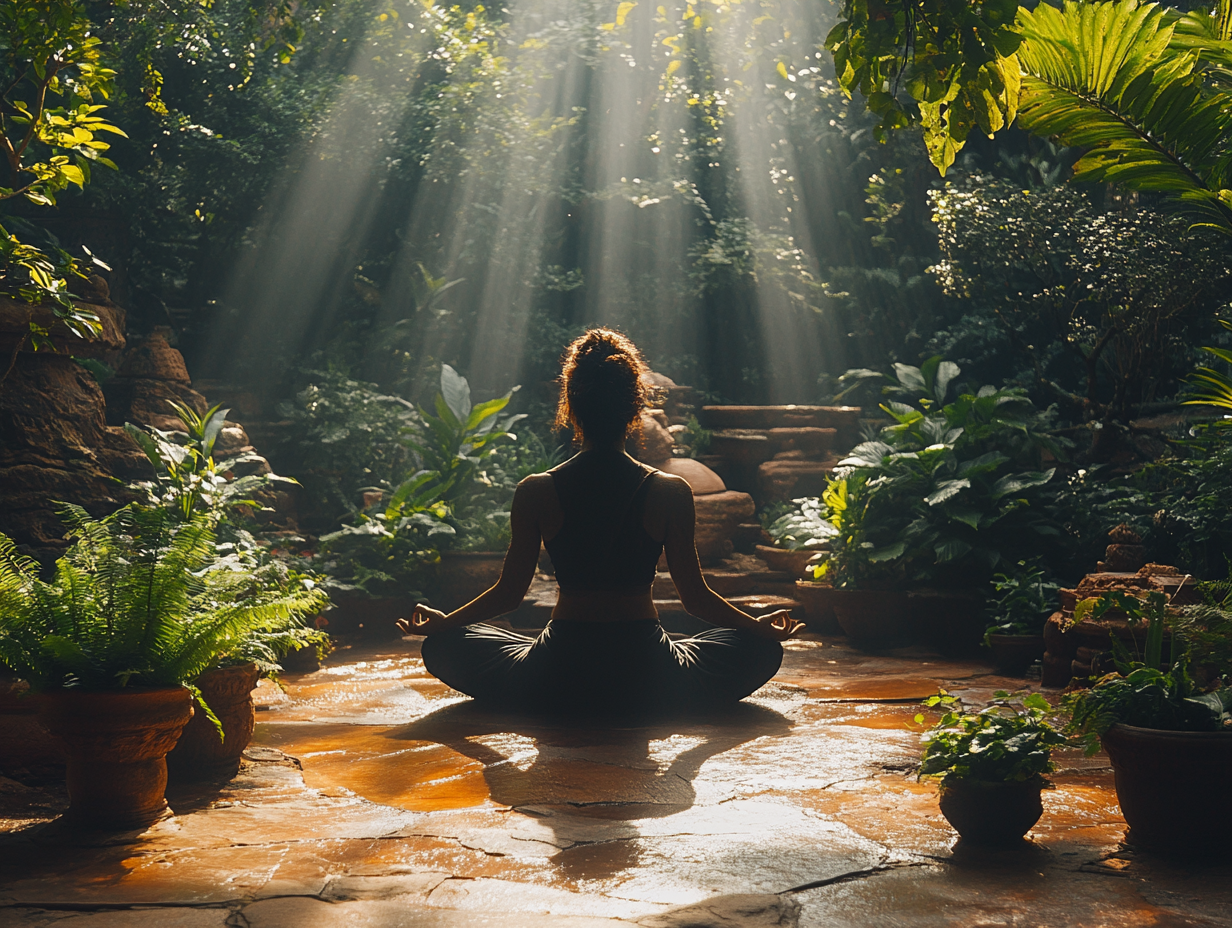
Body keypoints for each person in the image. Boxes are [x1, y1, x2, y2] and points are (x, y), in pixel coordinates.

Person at [399, 328, 803, 715]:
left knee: (443, 645)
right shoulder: (670, 490)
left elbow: (508, 595)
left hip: (557, 670)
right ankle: (645, 702)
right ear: (635, 408)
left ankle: (562, 701)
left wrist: (445, 623)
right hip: (647, 671)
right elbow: (695, 599)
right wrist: (757, 626)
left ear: (571, 407)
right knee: (761, 649)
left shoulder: (536, 490)